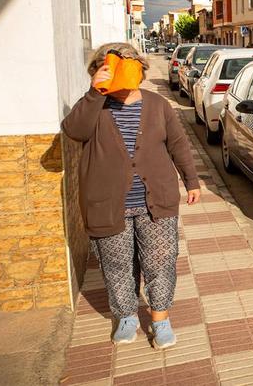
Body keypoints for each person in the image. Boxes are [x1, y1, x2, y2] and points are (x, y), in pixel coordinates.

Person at [62, 42, 201, 349]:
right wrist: (95, 91)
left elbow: (178, 144)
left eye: (129, 65)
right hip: (107, 204)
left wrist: (192, 181)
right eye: (113, 66)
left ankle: (160, 318)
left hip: (157, 201)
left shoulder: (158, 104)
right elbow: (74, 130)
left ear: (140, 68)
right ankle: (126, 316)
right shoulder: (95, 105)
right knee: (117, 264)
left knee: (161, 261)